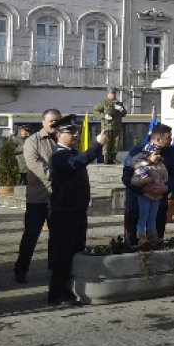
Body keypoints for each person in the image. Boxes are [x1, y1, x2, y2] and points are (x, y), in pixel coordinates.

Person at [48, 117, 106, 305]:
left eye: (75, 132)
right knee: (62, 254)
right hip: (64, 211)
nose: (75, 135)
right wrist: (96, 146)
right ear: (58, 134)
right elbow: (76, 163)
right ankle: (57, 293)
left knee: (76, 251)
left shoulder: (71, 152)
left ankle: (70, 289)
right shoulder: (58, 155)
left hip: (76, 210)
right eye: (70, 133)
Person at [15, 108, 61, 283]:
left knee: (56, 237)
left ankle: (53, 270)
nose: (55, 124)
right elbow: (35, 166)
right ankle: (21, 270)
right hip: (37, 197)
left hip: (57, 197)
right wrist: (60, 174)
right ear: (43, 122)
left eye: (57, 121)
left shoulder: (61, 139)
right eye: (51, 121)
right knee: (31, 236)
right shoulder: (32, 141)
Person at [122, 124, 174, 245]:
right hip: (136, 202)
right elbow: (126, 177)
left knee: (156, 237)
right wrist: (144, 189)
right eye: (168, 138)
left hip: (159, 200)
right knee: (134, 240)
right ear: (158, 139)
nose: (171, 140)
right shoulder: (137, 152)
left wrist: (166, 187)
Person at [129, 144, 168, 244]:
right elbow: (134, 180)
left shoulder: (161, 165)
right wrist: (142, 181)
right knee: (144, 215)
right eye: (155, 154)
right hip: (145, 195)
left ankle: (152, 234)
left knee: (153, 215)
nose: (158, 156)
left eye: (159, 154)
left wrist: (163, 185)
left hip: (157, 195)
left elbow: (165, 177)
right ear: (148, 156)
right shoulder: (141, 167)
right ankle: (141, 235)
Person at [92, 86, 127, 164]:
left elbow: (124, 114)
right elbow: (95, 112)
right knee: (106, 144)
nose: (113, 95)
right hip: (107, 127)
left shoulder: (118, 103)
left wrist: (121, 109)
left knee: (115, 144)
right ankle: (106, 159)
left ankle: (113, 158)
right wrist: (104, 116)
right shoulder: (103, 103)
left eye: (114, 93)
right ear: (108, 94)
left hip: (117, 127)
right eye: (112, 93)